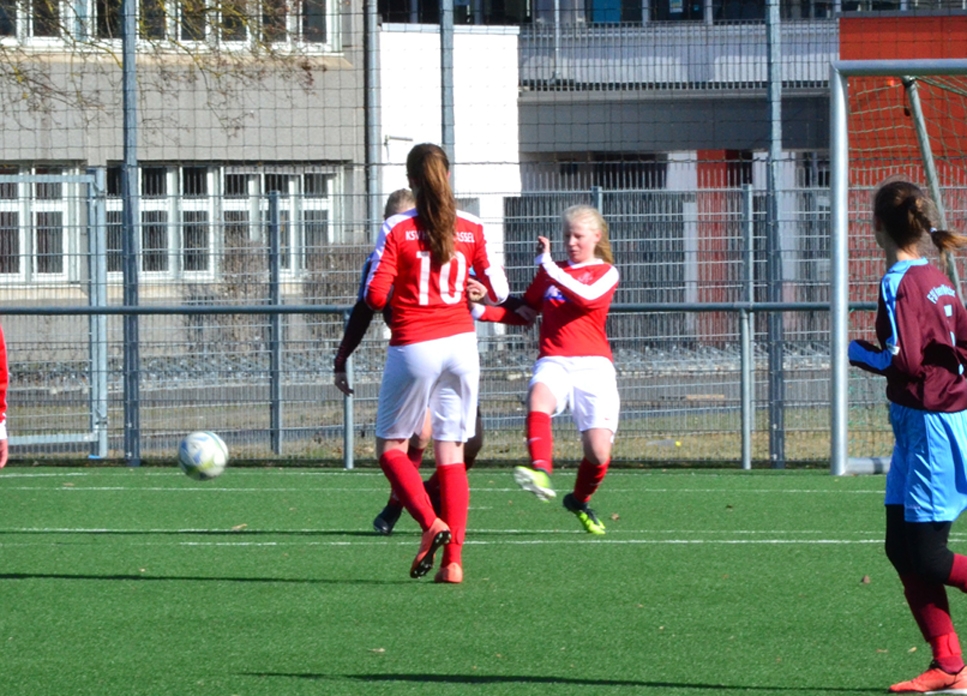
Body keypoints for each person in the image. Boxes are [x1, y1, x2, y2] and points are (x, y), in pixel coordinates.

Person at [364, 143, 509, 584]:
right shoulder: (472, 225)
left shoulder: (397, 226)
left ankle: (430, 523)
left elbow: (374, 296)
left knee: (391, 449)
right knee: (451, 453)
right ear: (447, 176)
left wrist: (399, 283)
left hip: (415, 345)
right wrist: (478, 291)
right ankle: (454, 563)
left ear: (411, 181)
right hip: (462, 346)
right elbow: (500, 290)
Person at [848, 179, 967, 694]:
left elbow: (904, 361)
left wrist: (855, 353)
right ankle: (950, 666)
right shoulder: (936, 277)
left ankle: (951, 666)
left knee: (929, 556)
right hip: (925, 423)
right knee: (901, 548)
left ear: (876, 226)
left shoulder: (899, 281)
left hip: (929, 423)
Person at [332, 188, 484, 536]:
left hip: (455, 352)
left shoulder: (449, 249)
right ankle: (404, 507)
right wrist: (341, 358)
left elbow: (489, 291)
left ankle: (423, 497)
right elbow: (365, 308)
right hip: (416, 353)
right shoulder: (382, 259)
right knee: (419, 433)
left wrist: (484, 295)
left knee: (473, 444)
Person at [472, 204, 619, 535]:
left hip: (594, 367)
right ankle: (541, 471)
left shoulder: (606, 272)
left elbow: (585, 297)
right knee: (537, 398)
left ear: (596, 237)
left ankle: (579, 500)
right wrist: (477, 309)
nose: (571, 243)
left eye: (578, 236)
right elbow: (524, 313)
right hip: (554, 359)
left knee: (598, 452)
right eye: (567, 236)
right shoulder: (552, 270)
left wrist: (548, 266)